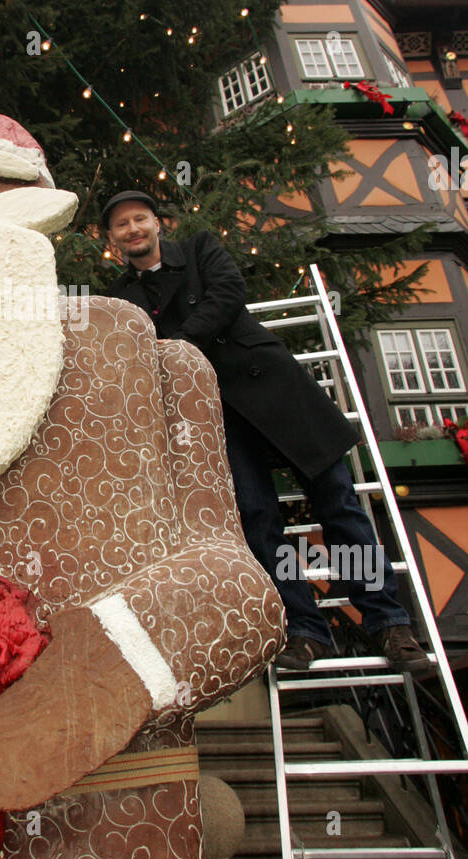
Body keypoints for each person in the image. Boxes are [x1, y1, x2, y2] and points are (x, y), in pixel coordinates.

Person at [101, 190, 428, 672]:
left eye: (140, 219)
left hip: (272, 387)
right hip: (216, 416)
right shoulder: (120, 298)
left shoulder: (200, 249)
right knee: (258, 519)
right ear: (110, 239)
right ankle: (305, 629)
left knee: (337, 500)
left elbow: (229, 295)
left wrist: (181, 345)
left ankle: (389, 623)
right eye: (122, 225)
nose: (133, 230)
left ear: (157, 223)